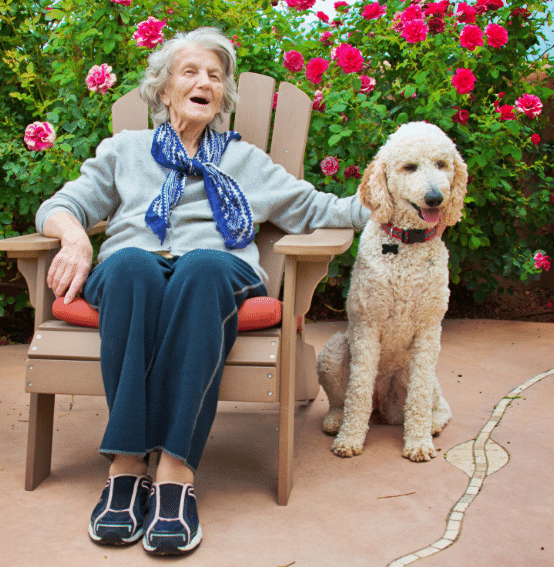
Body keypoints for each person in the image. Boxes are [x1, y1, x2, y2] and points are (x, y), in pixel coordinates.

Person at [35, 27, 368, 556]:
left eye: (215, 76)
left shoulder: (246, 162)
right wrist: (73, 237)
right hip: (134, 269)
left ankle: (175, 470)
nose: (204, 82)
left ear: (223, 97)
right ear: (164, 90)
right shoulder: (126, 149)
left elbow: (319, 210)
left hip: (216, 274)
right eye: (189, 71)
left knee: (201, 270)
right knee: (130, 269)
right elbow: (62, 204)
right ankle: (126, 463)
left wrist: (397, 201)